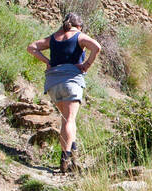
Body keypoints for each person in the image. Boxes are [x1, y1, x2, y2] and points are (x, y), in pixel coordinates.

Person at [27, 14, 101, 173]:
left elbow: (32, 47)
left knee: (66, 119)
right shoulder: (79, 35)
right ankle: (65, 160)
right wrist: (86, 64)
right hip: (71, 81)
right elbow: (97, 47)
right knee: (69, 120)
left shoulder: (54, 37)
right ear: (79, 26)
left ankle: (74, 157)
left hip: (53, 83)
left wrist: (47, 61)